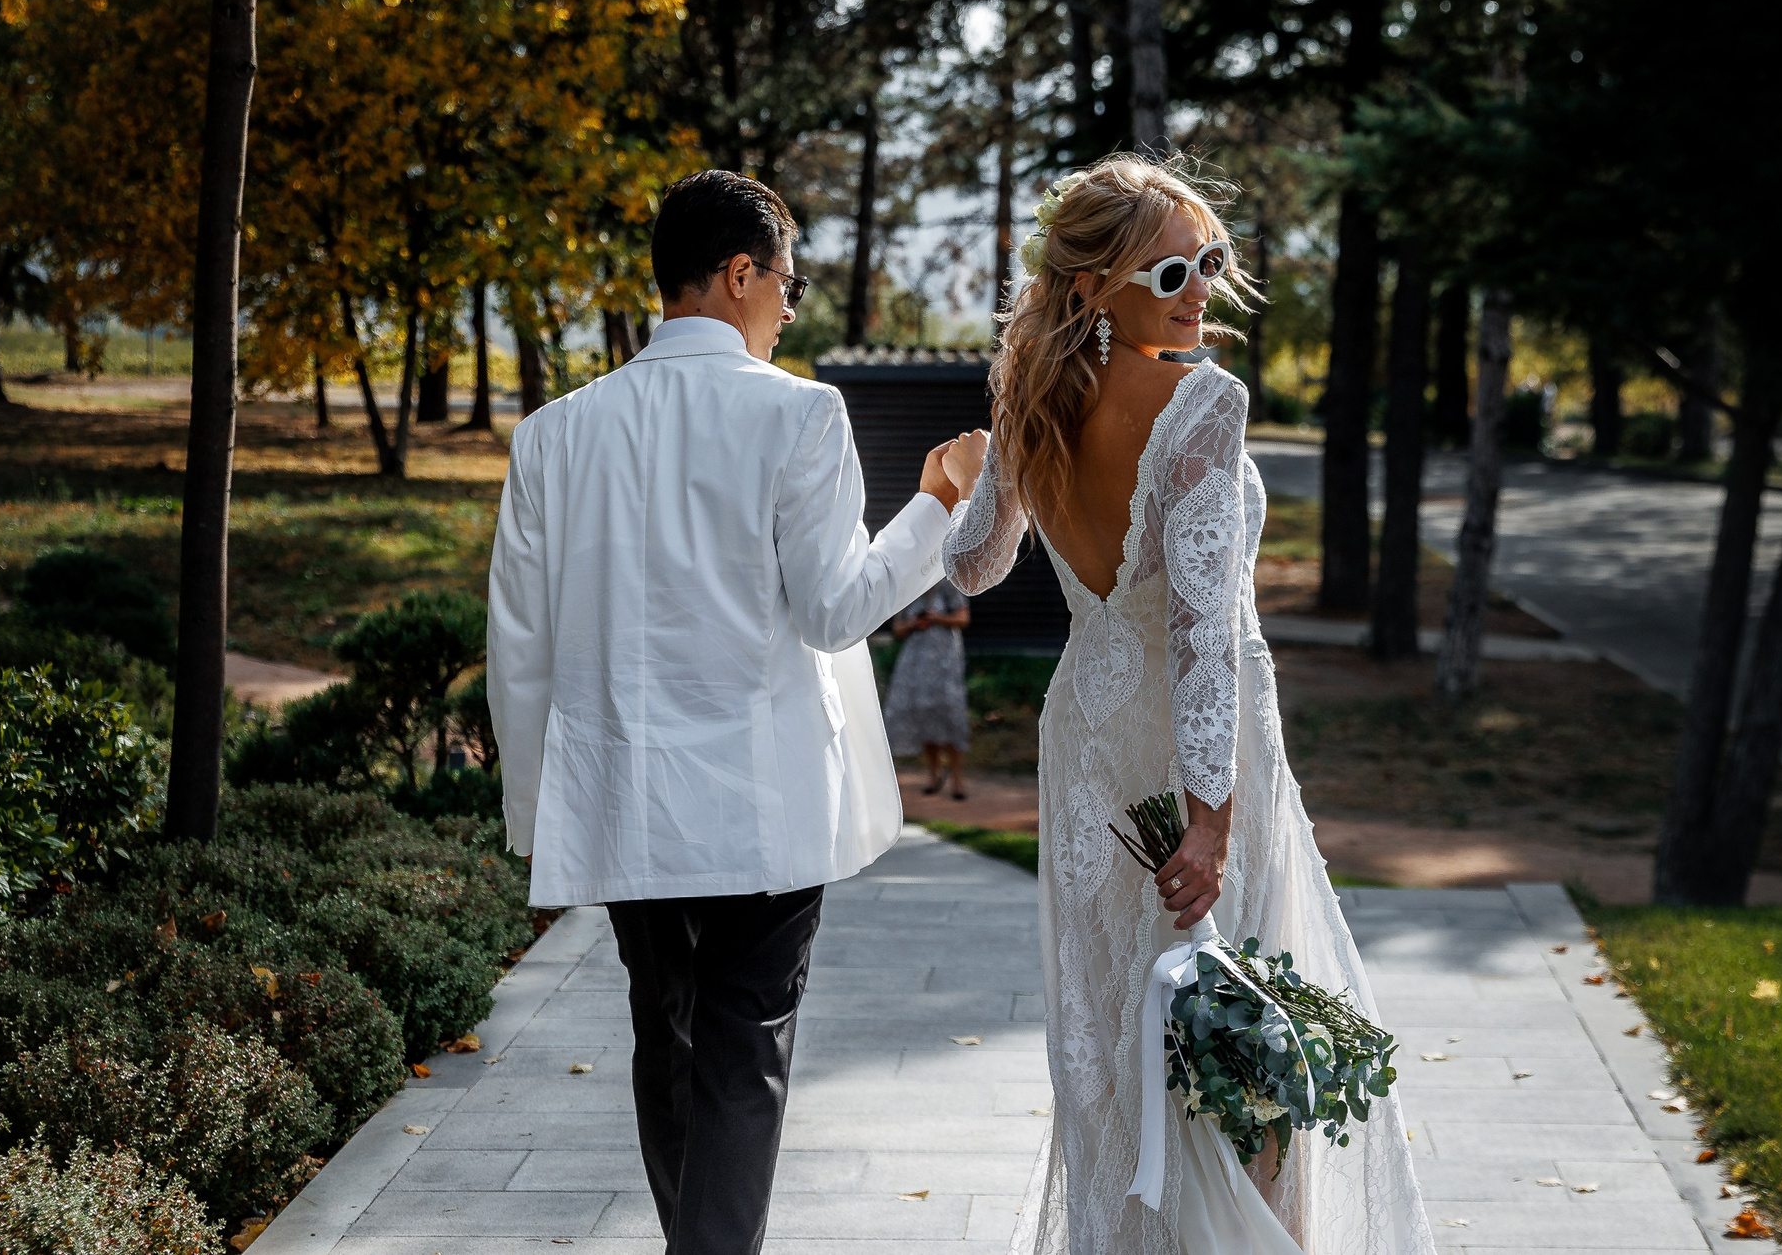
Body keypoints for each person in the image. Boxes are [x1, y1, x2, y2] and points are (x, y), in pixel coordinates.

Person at [485, 168, 987, 1255]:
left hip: (623, 798)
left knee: (665, 1039)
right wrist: (936, 503)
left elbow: (519, 647)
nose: (790, 308)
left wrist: (535, 815)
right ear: (740, 272)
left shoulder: (553, 434)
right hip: (764, 800)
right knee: (742, 1046)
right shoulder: (800, 412)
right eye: (789, 284)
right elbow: (836, 609)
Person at [945, 156, 1433, 1255]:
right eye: (1168, 272)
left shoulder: (1029, 399)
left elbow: (973, 564)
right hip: (1195, 749)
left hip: (1086, 741)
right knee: (1240, 1038)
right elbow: (1203, 630)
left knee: (1123, 1034)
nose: (1199, 289)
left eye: (1206, 261)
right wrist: (1210, 818)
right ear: (1091, 288)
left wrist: (959, 481)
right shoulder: (1204, 402)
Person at [886, 580, 973, 798]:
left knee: (950, 713)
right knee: (924, 712)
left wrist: (937, 618)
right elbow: (898, 628)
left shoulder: (948, 585)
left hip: (945, 662)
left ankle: (957, 780)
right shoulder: (910, 586)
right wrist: (915, 623)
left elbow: (963, 618)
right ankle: (934, 774)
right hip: (917, 662)